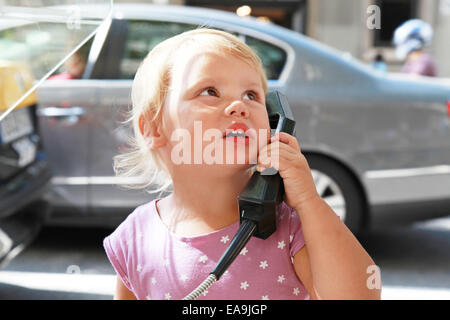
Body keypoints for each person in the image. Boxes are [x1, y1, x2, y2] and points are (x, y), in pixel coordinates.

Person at [103, 28, 380, 300]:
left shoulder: (289, 225)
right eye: (210, 91)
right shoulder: (135, 237)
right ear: (154, 128)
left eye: (251, 95)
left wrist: (309, 201)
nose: (239, 105)